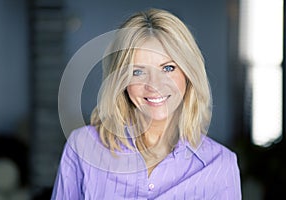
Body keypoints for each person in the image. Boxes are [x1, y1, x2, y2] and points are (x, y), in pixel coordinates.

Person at [51, 8, 242, 199]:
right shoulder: (82, 147)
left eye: (168, 68)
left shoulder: (221, 165)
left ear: (188, 74)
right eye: (138, 71)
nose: (154, 85)